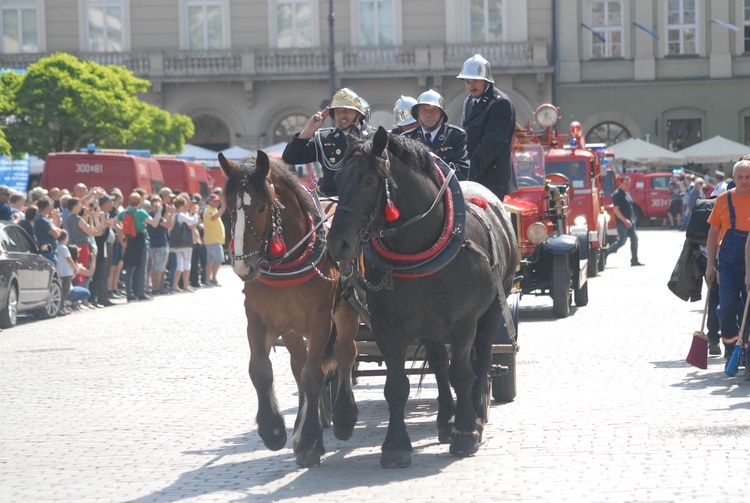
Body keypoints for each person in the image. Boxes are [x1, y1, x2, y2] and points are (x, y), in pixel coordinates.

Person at [282, 87, 371, 197]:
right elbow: (290, 157)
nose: (342, 116)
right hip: (333, 200)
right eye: (337, 112)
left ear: (359, 114)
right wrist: (309, 129)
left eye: (346, 111)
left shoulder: (375, 137)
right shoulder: (324, 138)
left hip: (366, 200)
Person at [708, 160, 750, 368]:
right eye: (740, 178)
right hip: (729, 265)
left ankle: (747, 354)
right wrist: (710, 266)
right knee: (726, 308)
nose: (744, 182)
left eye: (748, 177)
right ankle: (732, 348)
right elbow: (713, 233)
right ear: (733, 179)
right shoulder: (723, 200)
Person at [457, 53, 517, 199]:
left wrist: (467, 172)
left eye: (475, 81)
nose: (471, 86)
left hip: (491, 180)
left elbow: (491, 144)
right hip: (473, 177)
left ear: (486, 80)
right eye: (468, 82)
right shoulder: (469, 102)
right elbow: (464, 137)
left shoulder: (500, 104)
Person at [403, 89, 470, 180]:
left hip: (447, 189)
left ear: (442, 114)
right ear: (417, 114)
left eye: (434, 110)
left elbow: (462, 170)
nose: (429, 115)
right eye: (424, 110)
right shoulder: (407, 139)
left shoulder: (456, 136)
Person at [117, 192, 161, 301]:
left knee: (129, 269)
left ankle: (129, 294)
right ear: (140, 202)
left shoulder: (124, 212)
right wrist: (159, 211)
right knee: (142, 268)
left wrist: (122, 232)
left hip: (130, 241)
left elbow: (114, 223)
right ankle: (141, 293)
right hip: (141, 241)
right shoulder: (141, 212)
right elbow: (154, 223)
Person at [607, 175, 644, 266]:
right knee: (621, 242)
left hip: (630, 221)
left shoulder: (626, 193)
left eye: (629, 184)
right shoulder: (617, 194)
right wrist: (624, 220)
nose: (628, 186)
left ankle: (634, 260)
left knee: (634, 239)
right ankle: (605, 253)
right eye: (626, 184)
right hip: (622, 222)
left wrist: (632, 219)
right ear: (621, 183)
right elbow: (616, 210)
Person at [169, 195, 200, 293]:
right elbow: (193, 221)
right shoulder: (181, 215)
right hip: (185, 243)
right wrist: (195, 213)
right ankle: (185, 285)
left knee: (180, 265)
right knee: (186, 264)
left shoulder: (174, 215)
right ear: (181, 205)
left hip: (177, 243)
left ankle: (176, 285)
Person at [202, 193, 225, 286]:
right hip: (213, 240)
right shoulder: (208, 210)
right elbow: (213, 218)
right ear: (209, 201)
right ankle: (213, 278)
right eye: (214, 201)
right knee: (218, 259)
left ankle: (209, 280)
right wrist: (222, 209)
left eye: (217, 201)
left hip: (214, 240)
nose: (216, 203)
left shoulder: (213, 209)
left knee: (211, 261)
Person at [34, 196, 62, 266]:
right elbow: (55, 234)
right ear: (47, 206)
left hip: (51, 253)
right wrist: (58, 230)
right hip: (47, 253)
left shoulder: (45, 219)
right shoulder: (41, 219)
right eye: (50, 205)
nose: (51, 207)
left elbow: (56, 228)